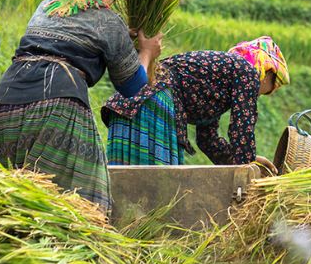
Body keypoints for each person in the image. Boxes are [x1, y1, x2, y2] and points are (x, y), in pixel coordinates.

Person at [0, 0, 161, 213]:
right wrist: (147, 52)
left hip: (7, 98)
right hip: (57, 104)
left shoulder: (47, 6)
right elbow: (133, 86)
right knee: (71, 203)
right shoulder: (108, 20)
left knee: (9, 196)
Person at [102, 36, 289, 173]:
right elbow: (242, 128)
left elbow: (208, 141)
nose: (260, 93)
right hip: (155, 102)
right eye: (269, 88)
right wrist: (249, 169)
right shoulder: (248, 72)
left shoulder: (217, 82)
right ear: (268, 72)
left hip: (129, 99)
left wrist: (250, 159)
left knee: (124, 183)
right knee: (159, 187)